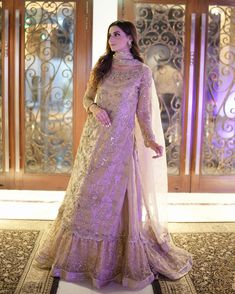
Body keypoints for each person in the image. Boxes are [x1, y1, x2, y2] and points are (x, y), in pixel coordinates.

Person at [35, 20, 192, 290]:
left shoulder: (142, 72)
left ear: (130, 38)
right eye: (109, 35)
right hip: (94, 142)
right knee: (86, 194)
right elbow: (87, 99)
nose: (111, 38)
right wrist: (95, 109)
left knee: (115, 199)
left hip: (120, 147)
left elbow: (143, 113)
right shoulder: (102, 65)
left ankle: (111, 260)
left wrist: (151, 140)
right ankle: (81, 257)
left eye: (117, 34)